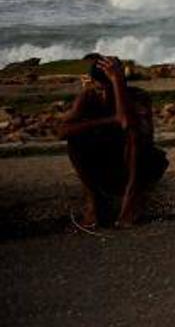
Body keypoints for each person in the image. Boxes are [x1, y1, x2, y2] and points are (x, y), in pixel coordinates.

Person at [58, 55, 168, 228]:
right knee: (75, 139)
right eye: (100, 89)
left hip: (140, 168)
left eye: (110, 88)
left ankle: (132, 197)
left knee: (133, 133)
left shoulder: (138, 96)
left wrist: (117, 82)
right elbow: (62, 132)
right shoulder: (89, 97)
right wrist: (109, 120)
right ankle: (93, 197)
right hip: (106, 170)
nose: (105, 94)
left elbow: (126, 122)